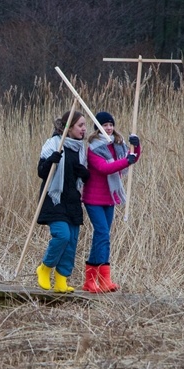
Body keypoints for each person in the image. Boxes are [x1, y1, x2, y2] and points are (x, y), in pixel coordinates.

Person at [81, 112, 140, 293]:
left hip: (109, 198)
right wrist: (125, 161)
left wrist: (136, 147)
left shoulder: (117, 145)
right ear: (98, 128)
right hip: (93, 199)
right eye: (105, 125)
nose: (109, 128)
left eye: (110, 125)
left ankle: (105, 279)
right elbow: (104, 168)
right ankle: (90, 280)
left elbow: (131, 158)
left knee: (105, 236)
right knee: (102, 234)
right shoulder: (93, 148)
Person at [35, 111, 90, 293]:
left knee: (72, 241)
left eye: (84, 125)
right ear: (70, 126)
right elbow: (42, 172)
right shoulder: (54, 145)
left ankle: (61, 280)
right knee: (62, 235)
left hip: (72, 201)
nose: (84, 129)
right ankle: (45, 268)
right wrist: (51, 161)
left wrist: (84, 173)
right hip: (54, 199)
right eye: (80, 125)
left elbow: (80, 178)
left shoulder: (80, 149)